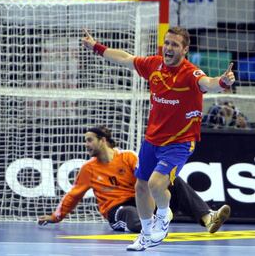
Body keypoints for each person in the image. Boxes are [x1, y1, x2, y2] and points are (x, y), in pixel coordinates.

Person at [81, 27, 235, 251]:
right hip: (152, 140)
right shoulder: (154, 65)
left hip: (179, 143)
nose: (169, 48)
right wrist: (96, 47)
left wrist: (222, 82)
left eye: (175, 44)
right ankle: (145, 234)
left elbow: (208, 83)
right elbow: (126, 58)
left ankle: (163, 218)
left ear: (185, 49)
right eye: (167, 43)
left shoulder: (191, 74)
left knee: (155, 184)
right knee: (141, 187)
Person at [38, 126, 231, 235]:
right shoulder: (88, 168)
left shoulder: (128, 157)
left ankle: (207, 218)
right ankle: (154, 227)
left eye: (89, 140)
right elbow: (73, 195)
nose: (85, 144)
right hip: (117, 210)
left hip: (142, 201)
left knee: (174, 182)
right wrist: (56, 217)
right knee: (130, 214)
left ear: (102, 140)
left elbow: (147, 180)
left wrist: (158, 194)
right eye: (85, 140)